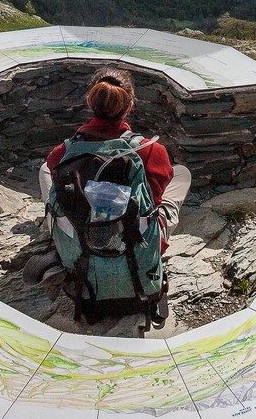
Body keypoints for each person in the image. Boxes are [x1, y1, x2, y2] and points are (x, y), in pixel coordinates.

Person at [25, 67, 191, 285]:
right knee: (181, 173)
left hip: (81, 239)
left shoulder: (64, 152)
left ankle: (58, 234)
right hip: (135, 244)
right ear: (130, 105)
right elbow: (154, 198)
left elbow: (52, 165)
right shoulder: (151, 151)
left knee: (47, 170)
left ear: (89, 102)